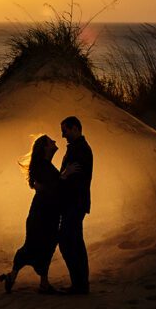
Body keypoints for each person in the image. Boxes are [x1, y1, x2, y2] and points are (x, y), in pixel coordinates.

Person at [0, 134, 63, 294]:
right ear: (45, 148)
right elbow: (52, 188)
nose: (55, 142)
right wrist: (64, 177)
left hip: (48, 214)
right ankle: (16, 277)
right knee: (35, 245)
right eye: (51, 142)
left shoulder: (45, 165)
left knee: (46, 245)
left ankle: (40, 282)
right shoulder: (42, 166)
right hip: (42, 215)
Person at [58, 115, 92, 295]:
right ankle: (81, 284)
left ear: (75, 129)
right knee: (76, 242)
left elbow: (74, 180)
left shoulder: (80, 150)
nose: (63, 135)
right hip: (75, 204)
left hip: (74, 204)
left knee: (66, 241)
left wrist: (61, 177)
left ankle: (79, 284)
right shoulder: (77, 148)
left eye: (65, 131)